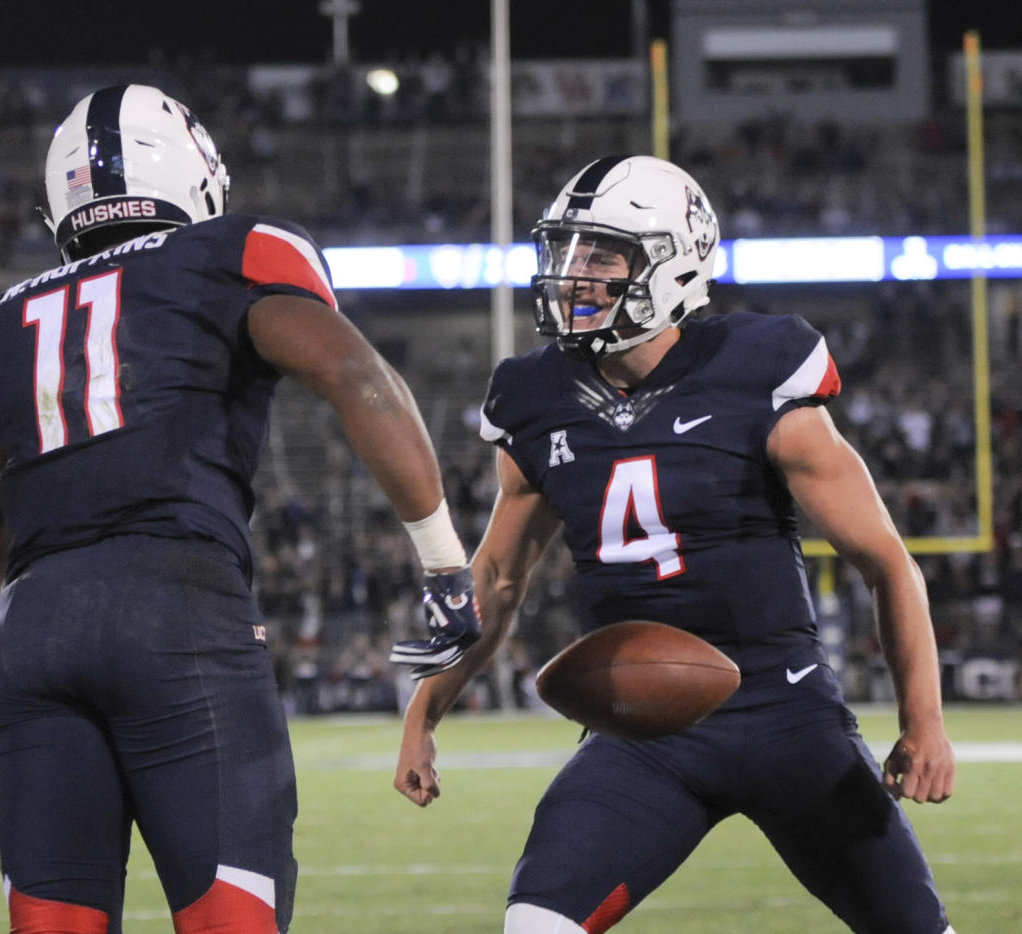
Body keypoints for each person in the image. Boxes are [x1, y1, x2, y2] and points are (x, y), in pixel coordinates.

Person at [0, 84, 479, 934]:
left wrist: (8, 702)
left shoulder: (1, 323)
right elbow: (354, 374)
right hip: (173, 607)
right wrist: (446, 562)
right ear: (189, 169)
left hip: (31, 631)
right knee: (232, 918)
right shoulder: (233, 252)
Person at [393, 155, 957, 933]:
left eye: (602, 255)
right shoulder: (534, 396)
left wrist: (922, 719)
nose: (575, 275)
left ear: (672, 266)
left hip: (785, 712)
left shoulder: (755, 369)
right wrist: (425, 713)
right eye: (568, 251)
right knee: (535, 925)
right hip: (642, 734)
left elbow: (885, 562)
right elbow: (495, 579)